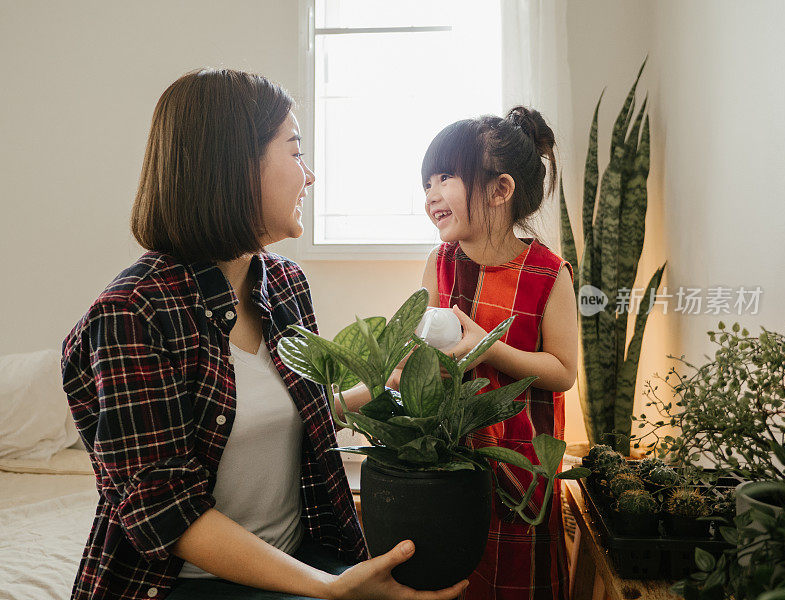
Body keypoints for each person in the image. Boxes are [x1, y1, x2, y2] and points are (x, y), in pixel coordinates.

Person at [61, 68, 469, 600]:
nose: (310, 176)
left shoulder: (284, 284)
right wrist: (327, 588)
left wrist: (399, 379)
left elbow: (291, 416)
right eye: (295, 151)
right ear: (233, 165)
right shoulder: (131, 315)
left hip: (300, 558)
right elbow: (165, 512)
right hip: (185, 584)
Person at [418, 108, 579, 600]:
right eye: (427, 181)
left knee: (517, 577)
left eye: (446, 177)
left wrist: (488, 348)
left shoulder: (548, 274)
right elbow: (423, 356)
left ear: (499, 190)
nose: (431, 193)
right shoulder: (440, 264)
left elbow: (563, 371)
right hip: (452, 458)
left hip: (522, 466)